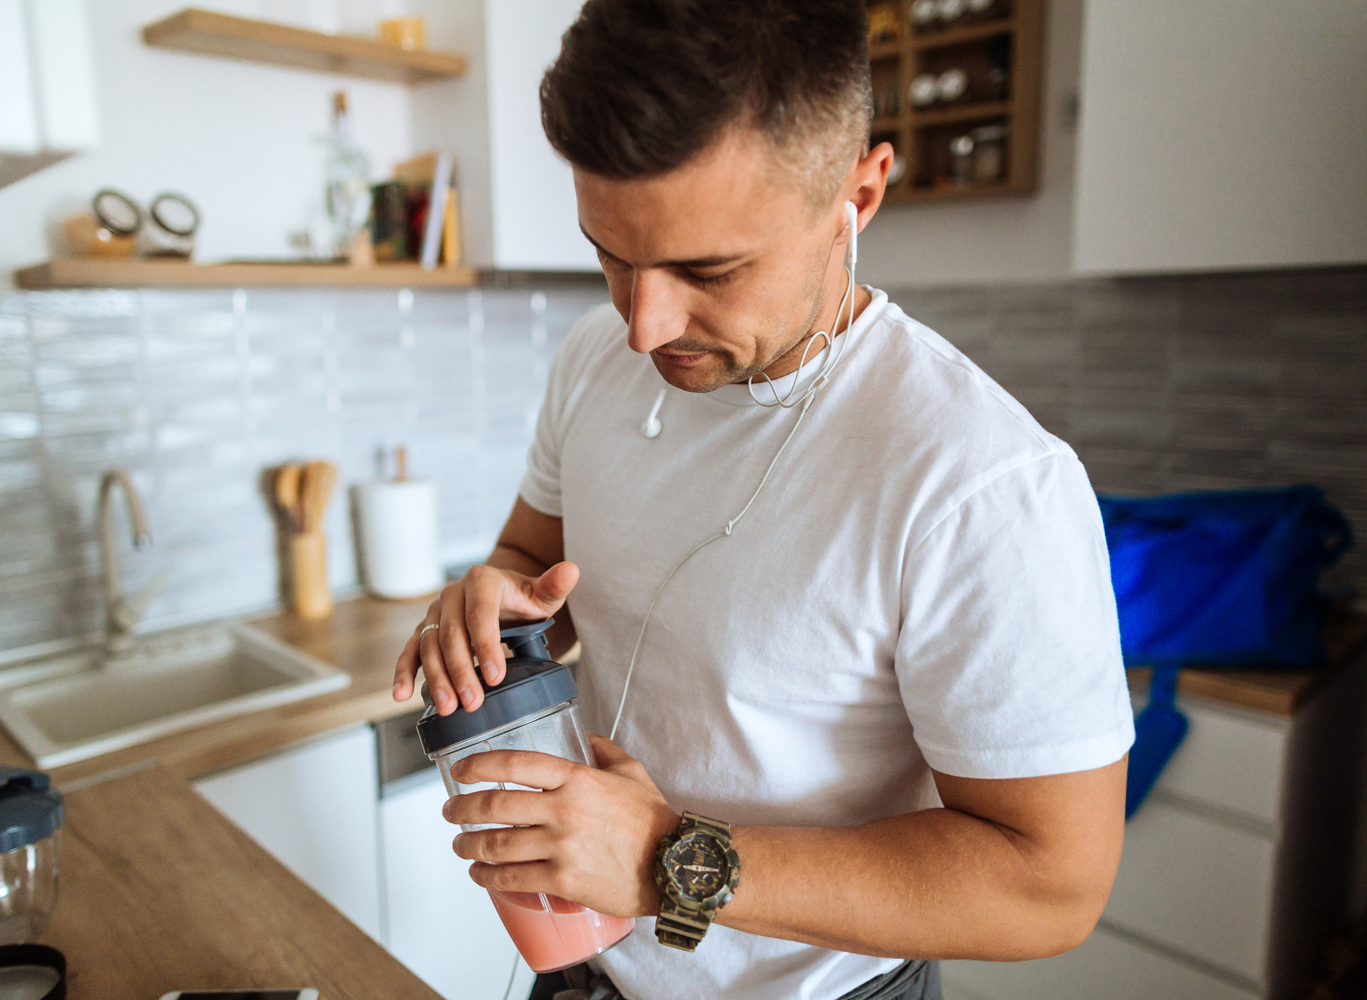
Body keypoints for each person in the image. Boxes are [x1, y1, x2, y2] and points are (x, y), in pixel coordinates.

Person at [392, 2, 1135, 998]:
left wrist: (669, 861)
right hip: (582, 964)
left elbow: (1049, 886)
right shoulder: (592, 362)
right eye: (610, 253)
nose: (645, 324)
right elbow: (535, 567)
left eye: (709, 268)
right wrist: (491, 601)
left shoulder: (982, 481)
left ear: (858, 195)